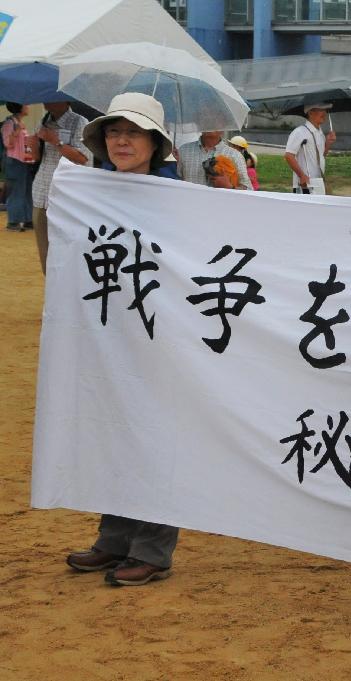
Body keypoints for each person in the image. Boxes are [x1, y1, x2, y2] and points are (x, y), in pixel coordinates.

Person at [66, 92, 180, 587]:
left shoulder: (181, 198)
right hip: (108, 338)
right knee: (111, 432)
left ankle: (152, 548)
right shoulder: (91, 193)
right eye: (114, 132)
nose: (121, 141)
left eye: (133, 132)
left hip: (161, 342)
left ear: (155, 144)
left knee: (154, 438)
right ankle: (113, 539)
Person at [31, 101, 92, 274]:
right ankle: (52, 289)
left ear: (65, 100)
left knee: (69, 246)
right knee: (45, 249)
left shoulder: (80, 122)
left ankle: (69, 287)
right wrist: (34, 143)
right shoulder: (43, 121)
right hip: (41, 193)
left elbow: (83, 158)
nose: (45, 101)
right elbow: (37, 158)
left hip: (67, 196)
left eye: (50, 96)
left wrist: (55, 141)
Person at [285, 103, 336, 194]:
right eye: (320, 110)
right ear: (310, 113)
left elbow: (321, 156)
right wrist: (302, 176)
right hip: (305, 183)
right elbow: (289, 155)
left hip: (318, 182)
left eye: (325, 110)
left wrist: (328, 143)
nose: (324, 113)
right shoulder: (299, 132)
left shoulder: (320, 133)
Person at [1, 103, 36, 231]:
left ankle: (28, 220)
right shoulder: (9, 123)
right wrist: (16, 131)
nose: (28, 106)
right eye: (25, 105)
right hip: (14, 161)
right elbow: (7, 144)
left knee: (27, 191)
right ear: (19, 107)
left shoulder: (19, 122)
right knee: (16, 191)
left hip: (24, 161)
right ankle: (13, 221)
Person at [178, 130, 251, 190]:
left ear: (224, 126)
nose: (210, 124)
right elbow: (176, 182)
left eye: (215, 120)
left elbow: (249, 190)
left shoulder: (235, 155)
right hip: (191, 205)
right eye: (206, 118)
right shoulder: (184, 151)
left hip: (221, 206)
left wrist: (229, 187)